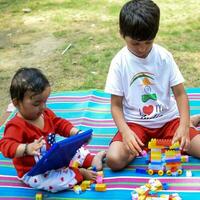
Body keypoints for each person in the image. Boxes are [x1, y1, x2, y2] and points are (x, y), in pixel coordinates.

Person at [104, 0, 200, 171]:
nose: (142, 49)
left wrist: (184, 125)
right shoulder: (119, 63)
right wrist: (126, 132)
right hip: (136, 126)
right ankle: (192, 121)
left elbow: (180, 94)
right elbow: (116, 106)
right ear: (121, 34)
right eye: (135, 43)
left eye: (148, 42)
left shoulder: (164, 57)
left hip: (169, 121)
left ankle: (190, 122)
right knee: (114, 160)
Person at [0, 67, 105, 192]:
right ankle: (79, 173)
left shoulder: (45, 113)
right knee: (55, 182)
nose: (42, 107)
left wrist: (76, 133)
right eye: (36, 104)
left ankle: (91, 160)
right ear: (17, 103)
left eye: (45, 101)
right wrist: (27, 148)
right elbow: (6, 146)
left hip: (54, 158)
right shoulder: (16, 125)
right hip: (34, 171)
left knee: (75, 150)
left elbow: (58, 124)